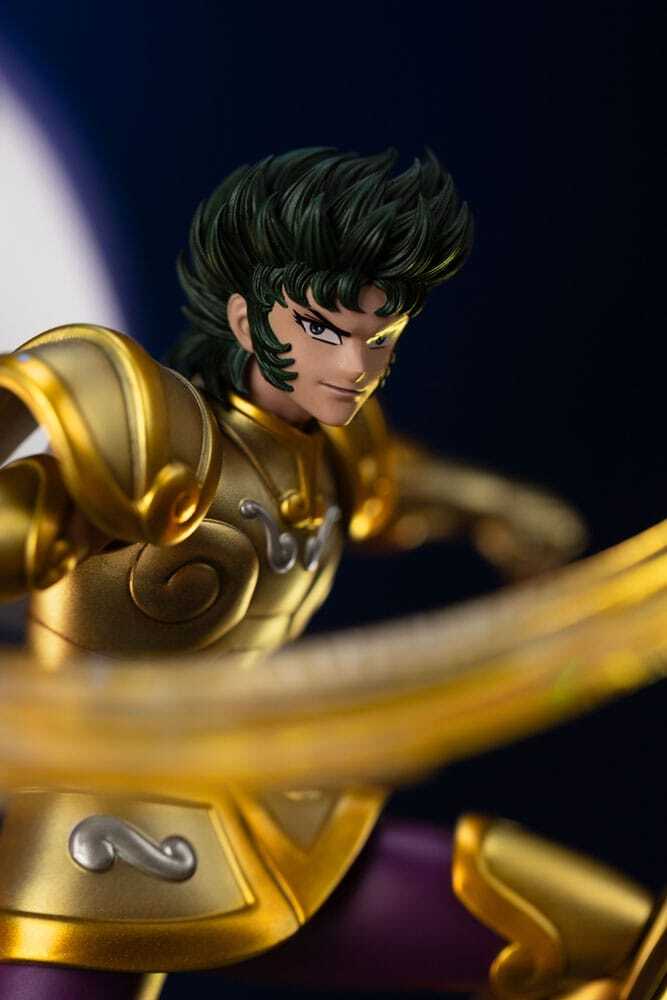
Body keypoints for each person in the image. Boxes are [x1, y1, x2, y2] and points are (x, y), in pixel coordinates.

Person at [2, 148, 654, 1000]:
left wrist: (498, 508)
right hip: (95, 844)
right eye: (320, 330)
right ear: (246, 319)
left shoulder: (335, 446)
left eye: (377, 339)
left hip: (270, 820)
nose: (352, 367)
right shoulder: (153, 444)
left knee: (595, 942)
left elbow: (403, 491)